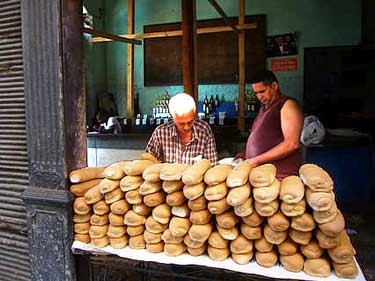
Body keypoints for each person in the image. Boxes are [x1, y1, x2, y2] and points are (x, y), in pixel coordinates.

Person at [237, 70, 303, 180]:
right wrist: (247, 154)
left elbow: (292, 144)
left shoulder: (287, 105)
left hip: (281, 176)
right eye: (256, 93)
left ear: (274, 86)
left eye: (262, 91)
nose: (259, 97)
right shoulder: (264, 108)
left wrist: (256, 160)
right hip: (263, 176)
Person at [145, 93, 217, 165]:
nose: (186, 127)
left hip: (194, 176)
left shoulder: (204, 130)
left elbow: (211, 163)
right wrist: (159, 166)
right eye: (181, 123)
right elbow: (147, 157)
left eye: (190, 122)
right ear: (172, 117)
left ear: (194, 115)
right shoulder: (161, 132)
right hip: (167, 175)